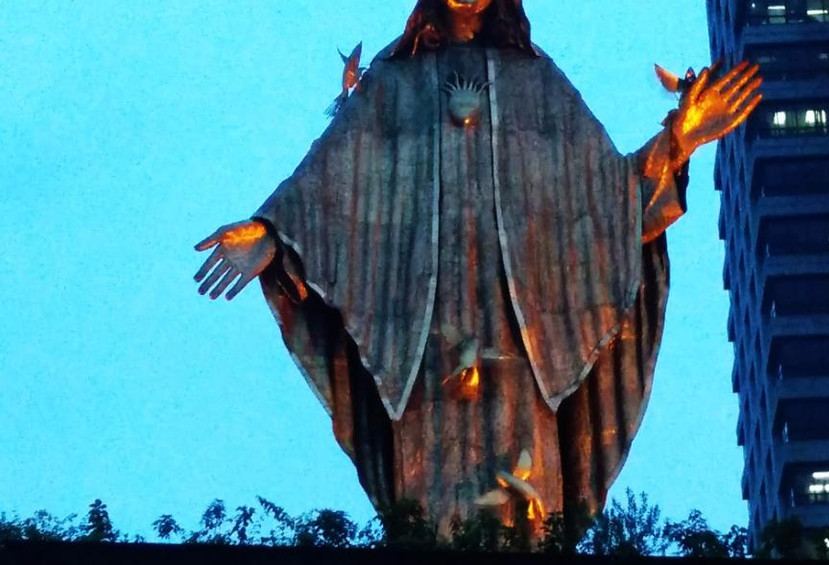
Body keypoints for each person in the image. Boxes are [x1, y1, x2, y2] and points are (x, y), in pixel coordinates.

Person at [193, 0, 761, 536]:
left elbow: (608, 201)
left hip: (519, 344)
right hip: (425, 344)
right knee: (432, 514)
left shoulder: (537, 83)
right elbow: (330, 186)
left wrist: (677, 140)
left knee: (527, 510)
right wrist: (272, 232)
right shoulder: (393, 83)